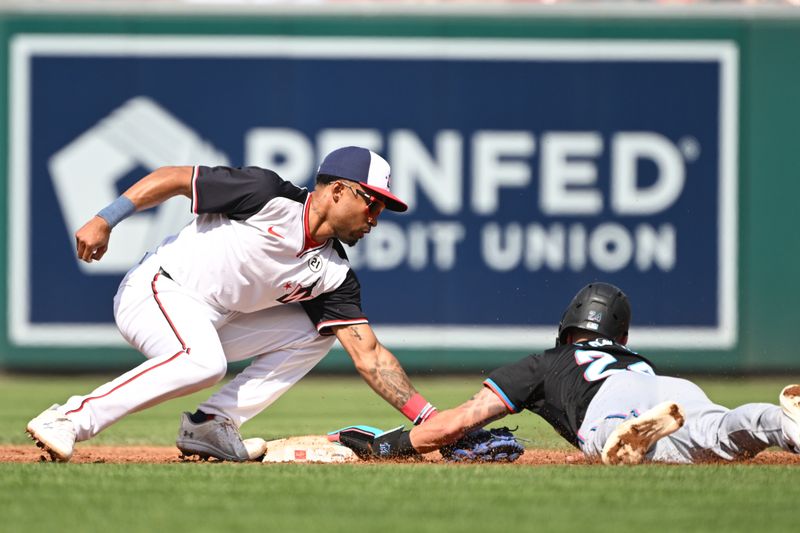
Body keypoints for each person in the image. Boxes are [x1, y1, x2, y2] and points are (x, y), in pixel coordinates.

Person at [26, 146, 439, 462]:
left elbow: (369, 355)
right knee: (204, 362)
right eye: (373, 201)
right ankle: (69, 418)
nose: (376, 217)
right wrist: (106, 218)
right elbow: (173, 178)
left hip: (214, 321)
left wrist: (429, 419)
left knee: (316, 335)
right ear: (337, 191)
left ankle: (211, 425)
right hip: (157, 289)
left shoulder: (333, 273)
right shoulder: (266, 195)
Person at [336, 282, 800, 464]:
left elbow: (457, 422)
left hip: (611, 401)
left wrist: (388, 446)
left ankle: (624, 434)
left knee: (612, 442)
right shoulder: (632, 354)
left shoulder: (544, 363)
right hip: (669, 387)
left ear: (567, 325)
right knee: (723, 431)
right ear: (619, 331)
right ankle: (783, 422)